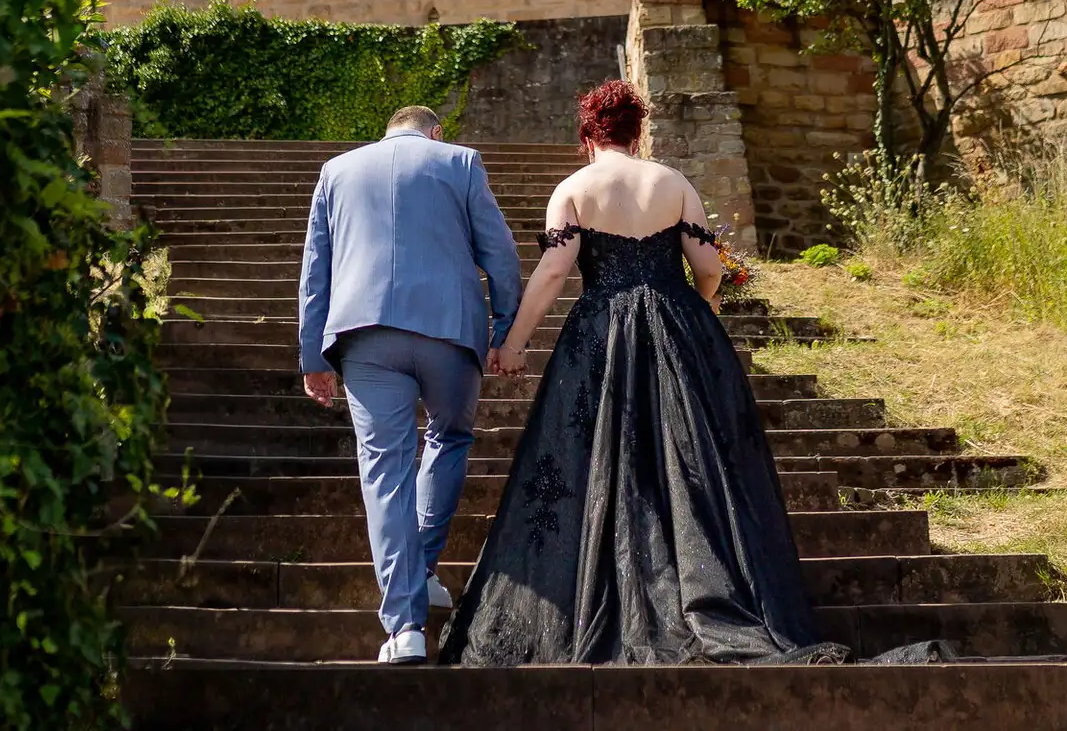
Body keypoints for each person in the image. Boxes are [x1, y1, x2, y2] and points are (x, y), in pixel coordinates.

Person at [437, 79, 839, 666]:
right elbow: (708, 266)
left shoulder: (573, 189)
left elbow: (553, 274)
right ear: (637, 131)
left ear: (587, 134)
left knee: (601, 456)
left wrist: (514, 343)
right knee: (692, 461)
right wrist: (704, 309)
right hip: (680, 331)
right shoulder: (672, 182)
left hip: (601, 334)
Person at [297, 103, 523, 665]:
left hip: (365, 334)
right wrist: (505, 328)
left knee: (383, 468)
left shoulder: (337, 170)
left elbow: (315, 270)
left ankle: (404, 628)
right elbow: (499, 253)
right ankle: (420, 568)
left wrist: (311, 356)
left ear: (388, 129)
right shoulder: (462, 162)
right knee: (448, 438)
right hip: (449, 330)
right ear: (435, 131)